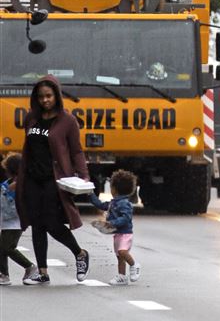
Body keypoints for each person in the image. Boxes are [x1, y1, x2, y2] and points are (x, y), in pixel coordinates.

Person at [15, 75, 91, 285]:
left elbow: (76, 151)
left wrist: (83, 176)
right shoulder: (31, 118)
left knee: (52, 223)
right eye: (41, 97)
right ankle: (42, 272)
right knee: (37, 224)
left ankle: (80, 253)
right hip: (31, 178)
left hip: (54, 180)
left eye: (49, 96)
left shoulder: (67, 121)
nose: (45, 100)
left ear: (56, 96)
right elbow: (29, 148)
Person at [88, 169, 138, 285]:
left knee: (122, 252)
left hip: (125, 233)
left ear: (114, 189)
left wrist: (113, 223)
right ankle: (122, 276)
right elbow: (100, 204)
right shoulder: (113, 203)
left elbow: (126, 218)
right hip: (117, 233)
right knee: (119, 256)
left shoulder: (124, 203)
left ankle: (134, 265)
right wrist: (90, 194)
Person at [1, 153, 35, 284]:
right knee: (2, 247)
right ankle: (3, 274)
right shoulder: (9, 183)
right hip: (7, 222)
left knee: (8, 247)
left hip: (16, 222)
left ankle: (30, 267)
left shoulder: (22, 184)